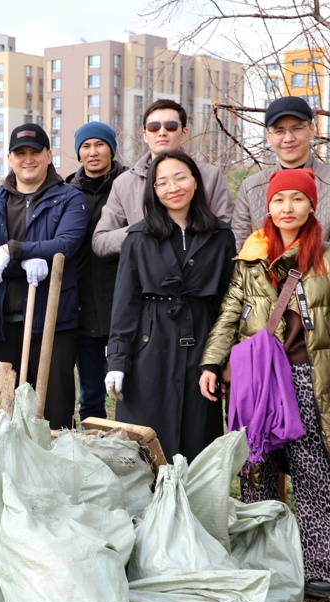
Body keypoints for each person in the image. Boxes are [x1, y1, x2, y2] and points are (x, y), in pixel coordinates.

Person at [199, 168, 330, 598]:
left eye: (297, 199)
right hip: (256, 382)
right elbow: (229, 315)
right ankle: (265, 562)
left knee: (316, 471)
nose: (287, 207)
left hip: (308, 379)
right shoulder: (251, 258)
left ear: (311, 205)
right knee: (257, 469)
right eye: (279, 199)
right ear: (268, 206)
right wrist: (211, 363)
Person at [105, 150, 235, 462]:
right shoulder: (138, 237)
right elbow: (125, 303)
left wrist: (222, 359)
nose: (172, 188)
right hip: (149, 343)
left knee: (197, 436)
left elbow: (228, 303)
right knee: (145, 438)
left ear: (195, 181)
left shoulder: (220, 235)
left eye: (180, 178)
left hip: (202, 343)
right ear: (153, 190)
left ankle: (192, 492)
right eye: (162, 182)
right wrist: (118, 360)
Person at [0, 124, 87, 430]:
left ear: (49, 155)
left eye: (35, 152)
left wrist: (13, 250)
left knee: (54, 415)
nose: (28, 159)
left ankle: (51, 462)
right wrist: (24, 262)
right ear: (10, 158)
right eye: (20, 153)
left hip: (53, 324)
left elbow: (66, 244)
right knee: (2, 415)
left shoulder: (70, 199)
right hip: (3, 323)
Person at [92, 99, 233, 260]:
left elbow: (224, 231)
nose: (162, 132)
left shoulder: (210, 176)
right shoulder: (124, 183)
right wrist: (143, 231)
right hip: (145, 271)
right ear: (145, 135)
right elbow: (100, 242)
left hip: (198, 269)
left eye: (171, 126)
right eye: (154, 127)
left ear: (184, 132)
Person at [232, 96, 330, 255]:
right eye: (279, 131)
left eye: (297, 128)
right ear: (268, 137)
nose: (288, 138)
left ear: (311, 130)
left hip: (322, 270)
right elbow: (239, 249)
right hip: (261, 271)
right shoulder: (251, 187)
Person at [66, 122, 129, 422]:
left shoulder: (129, 185)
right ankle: (94, 445)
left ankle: (133, 446)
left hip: (124, 303)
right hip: (83, 306)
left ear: (111, 149)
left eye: (100, 144)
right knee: (90, 394)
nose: (93, 152)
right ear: (79, 153)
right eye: (86, 146)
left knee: (129, 390)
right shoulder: (67, 192)